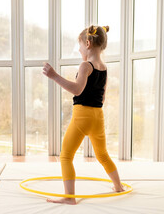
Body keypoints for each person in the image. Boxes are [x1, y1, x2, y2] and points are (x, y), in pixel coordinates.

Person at [42, 25, 124, 204]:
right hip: (98, 116)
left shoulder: (86, 65)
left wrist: (54, 76)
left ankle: (69, 197)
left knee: (66, 156)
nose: (79, 49)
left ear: (87, 43)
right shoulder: (103, 67)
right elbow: (102, 97)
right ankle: (118, 186)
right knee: (102, 155)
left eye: (79, 45)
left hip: (82, 117)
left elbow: (77, 90)